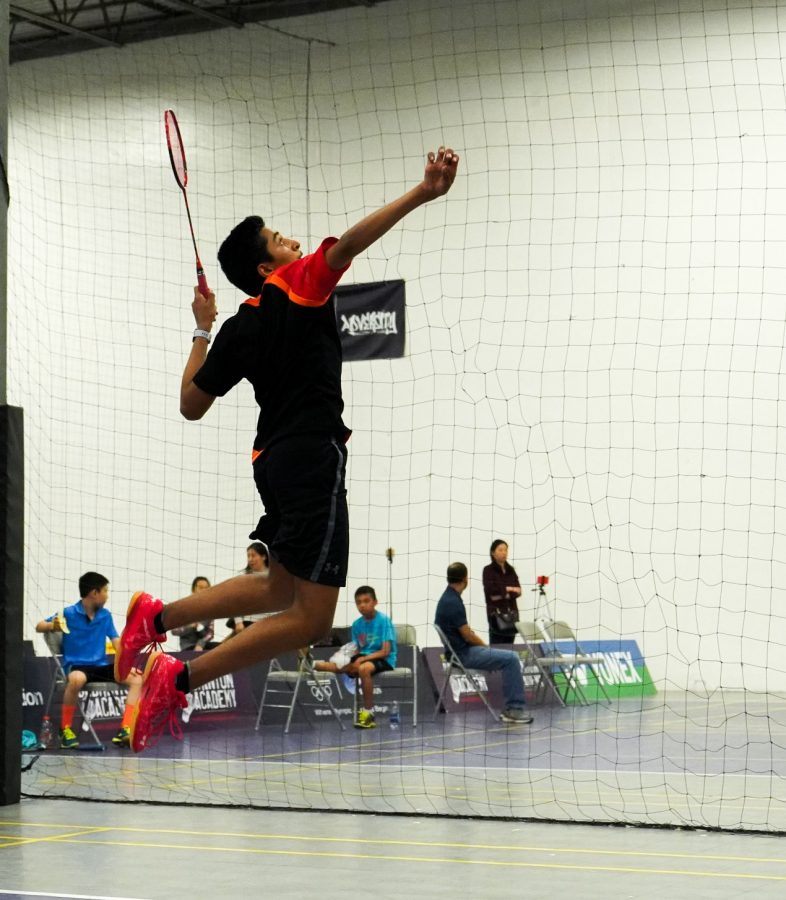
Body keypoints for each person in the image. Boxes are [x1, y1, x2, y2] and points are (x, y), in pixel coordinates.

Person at [116, 146, 460, 752]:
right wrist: (421, 193)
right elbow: (349, 245)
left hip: (271, 461)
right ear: (263, 266)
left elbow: (191, 403)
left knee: (279, 589)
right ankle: (178, 674)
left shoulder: (237, 325)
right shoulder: (297, 284)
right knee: (312, 619)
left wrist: (201, 326)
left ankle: (157, 619)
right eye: (278, 238)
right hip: (312, 454)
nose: (294, 241)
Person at [35, 572, 142, 748]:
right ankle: (66, 729)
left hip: (100, 667)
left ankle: (126, 729)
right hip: (77, 667)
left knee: (137, 678)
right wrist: (51, 625)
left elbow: (116, 643)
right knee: (77, 679)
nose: (107, 595)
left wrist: (127, 663)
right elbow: (39, 626)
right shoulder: (68, 613)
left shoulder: (105, 616)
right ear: (94, 593)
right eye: (105, 591)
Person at [434, 562, 533, 725]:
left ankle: (513, 708)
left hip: (456, 653)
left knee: (508, 658)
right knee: (512, 658)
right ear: (466, 579)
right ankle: (514, 709)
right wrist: (485, 647)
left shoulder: (448, 598)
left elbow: (463, 631)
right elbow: (467, 635)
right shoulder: (452, 602)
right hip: (463, 655)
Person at [314, 585, 397, 729]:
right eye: (359, 602)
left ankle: (368, 714)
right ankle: (311, 664)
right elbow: (358, 648)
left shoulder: (384, 621)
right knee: (339, 666)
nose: (362, 605)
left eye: (366, 601)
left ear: (375, 602)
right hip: (364, 656)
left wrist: (362, 660)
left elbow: (385, 651)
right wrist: (346, 658)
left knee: (363, 669)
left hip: (384, 659)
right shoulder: (357, 625)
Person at [482, 539, 522, 645]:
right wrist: (509, 590)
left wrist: (503, 591)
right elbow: (491, 593)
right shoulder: (488, 570)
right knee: (496, 648)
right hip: (496, 616)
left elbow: (518, 590)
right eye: (500, 550)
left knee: (510, 648)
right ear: (493, 552)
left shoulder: (511, 570)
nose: (504, 552)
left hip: (512, 615)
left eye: (506, 550)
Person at [226, 543, 270, 636]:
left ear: (264, 557)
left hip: (270, 624)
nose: (250, 559)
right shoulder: (245, 578)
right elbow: (236, 601)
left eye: (253, 555)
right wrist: (238, 622)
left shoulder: (274, 577)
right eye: (248, 556)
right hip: (248, 623)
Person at [171, 577, 215, 651]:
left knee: (221, 647)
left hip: (203, 645)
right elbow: (174, 630)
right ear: (193, 590)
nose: (204, 590)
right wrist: (190, 626)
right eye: (201, 587)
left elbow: (210, 634)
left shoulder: (210, 611)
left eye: (207, 588)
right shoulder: (183, 608)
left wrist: (200, 644)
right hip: (188, 647)